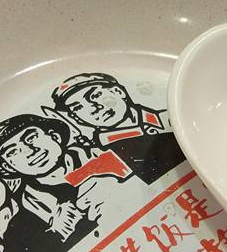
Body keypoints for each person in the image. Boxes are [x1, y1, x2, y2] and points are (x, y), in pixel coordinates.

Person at [51, 73, 185, 185]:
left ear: (118, 92)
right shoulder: (99, 157)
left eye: (95, 95)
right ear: (77, 119)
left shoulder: (174, 117)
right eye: (78, 107)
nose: (94, 108)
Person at [0, 114, 98, 244]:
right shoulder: (24, 221)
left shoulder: (105, 153)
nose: (30, 151)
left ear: (54, 136)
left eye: (31, 138)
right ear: (7, 166)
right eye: (12, 151)